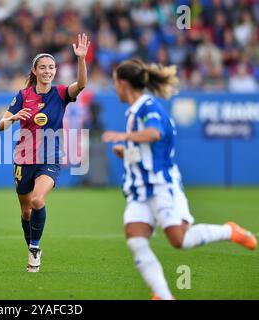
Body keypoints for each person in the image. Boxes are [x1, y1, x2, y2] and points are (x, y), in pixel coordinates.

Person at [101, 58, 257, 300]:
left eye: (115, 82)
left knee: (179, 240)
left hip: (162, 185)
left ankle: (230, 231)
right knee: (135, 239)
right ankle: (164, 296)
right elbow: (152, 148)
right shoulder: (134, 112)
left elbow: (155, 133)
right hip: (141, 190)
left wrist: (123, 136)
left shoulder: (148, 107)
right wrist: (127, 151)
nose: (114, 87)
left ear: (122, 83)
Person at [0, 34, 90, 272]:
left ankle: (35, 249)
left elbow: (81, 85)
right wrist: (14, 117)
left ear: (55, 71)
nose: (48, 71)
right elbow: (0, 125)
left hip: (50, 158)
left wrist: (81, 59)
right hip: (23, 158)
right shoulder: (23, 95)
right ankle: (32, 248)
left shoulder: (60, 94)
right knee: (26, 212)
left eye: (51, 67)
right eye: (43, 68)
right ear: (35, 71)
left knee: (38, 201)